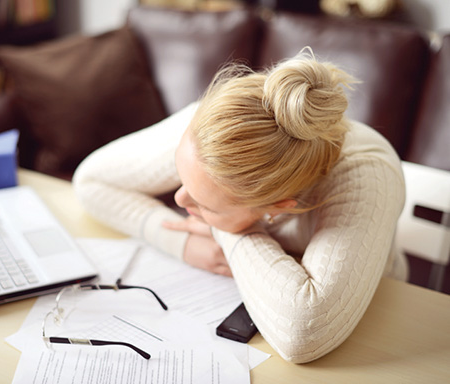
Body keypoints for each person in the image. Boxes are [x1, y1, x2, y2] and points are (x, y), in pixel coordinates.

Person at [72, 49, 408, 363]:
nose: (179, 200)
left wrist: (231, 235)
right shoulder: (218, 128)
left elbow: (304, 333)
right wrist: (184, 243)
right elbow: (90, 182)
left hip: (385, 322)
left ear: (278, 207)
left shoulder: (365, 175)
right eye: (182, 178)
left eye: (207, 205)